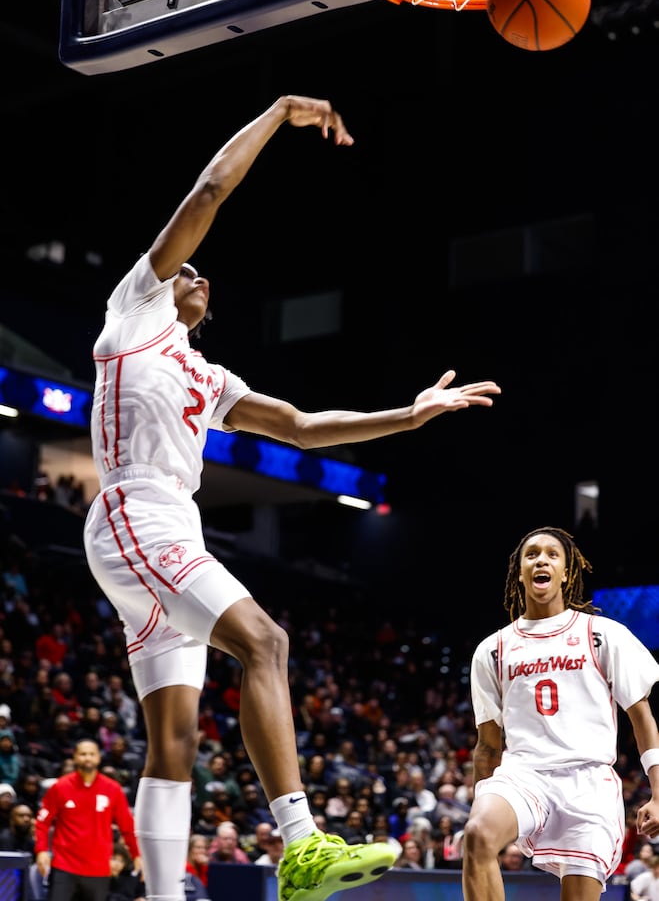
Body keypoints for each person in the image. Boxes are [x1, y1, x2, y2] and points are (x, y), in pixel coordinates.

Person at [82, 93, 501, 901]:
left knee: (173, 744)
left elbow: (305, 428)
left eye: (205, 275)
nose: (198, 275)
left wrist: (408, 416)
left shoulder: (208, 375)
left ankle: (164, 897)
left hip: (171, 526)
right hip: (136, 511)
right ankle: (301, 843)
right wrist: (278, 112)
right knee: (264, 643)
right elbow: (209, 192)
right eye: (188, 271)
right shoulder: (134, 312)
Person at [461, 526, 659, 901]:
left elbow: (642, 718)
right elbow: (487, 747)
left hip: (588, 784)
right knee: (478, 835)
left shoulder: (601, 634)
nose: (542, 560)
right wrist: (479, 804)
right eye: (532, 554)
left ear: (567, 572)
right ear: (519, 572)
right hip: (524, 776)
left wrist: (658, 793)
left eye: (553, 555)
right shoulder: (492, 649)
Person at [34, 738, 142, 901]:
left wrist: (136, 854)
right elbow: (42, 822)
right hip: (64, 866)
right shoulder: (60, 787)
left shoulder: (113, 789)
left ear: (98, 758)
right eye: (83, 754)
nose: (87, 758)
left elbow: (127, 825)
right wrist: (41, 850)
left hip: (98, 869)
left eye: (92, 754)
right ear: (75, 757)